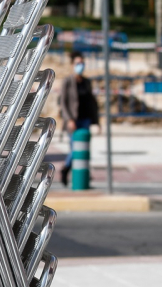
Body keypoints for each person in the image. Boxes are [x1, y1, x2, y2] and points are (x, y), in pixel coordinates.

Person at [57, 50, 99, 186]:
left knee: (84, 147)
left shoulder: (86, 82)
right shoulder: (67, 81)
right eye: (77, 63)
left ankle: (82, 172)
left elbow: (92, 102)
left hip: (85, 119)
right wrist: (69, 119)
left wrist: (97, 121)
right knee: (75, 148)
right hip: (73, 121)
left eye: (82, 63)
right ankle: (66, 169)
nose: (80, 66)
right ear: (72, 65)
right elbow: (63, 102)